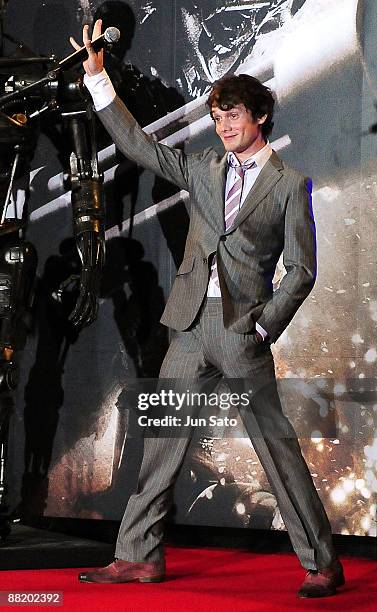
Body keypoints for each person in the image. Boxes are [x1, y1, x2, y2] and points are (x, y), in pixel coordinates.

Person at [70, 20, 345, 598]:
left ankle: (321, 562)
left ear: (260, 117)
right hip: (189, 328)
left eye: (234, 116)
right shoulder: (202, 169)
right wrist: (101, 85)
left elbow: (301, 270)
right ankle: (139, 556)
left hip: (243, 332)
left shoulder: (290, 184)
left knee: (275, 445)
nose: (223, 126)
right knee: (164, 440)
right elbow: (139, 146)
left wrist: (265, 326)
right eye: (218, 117)